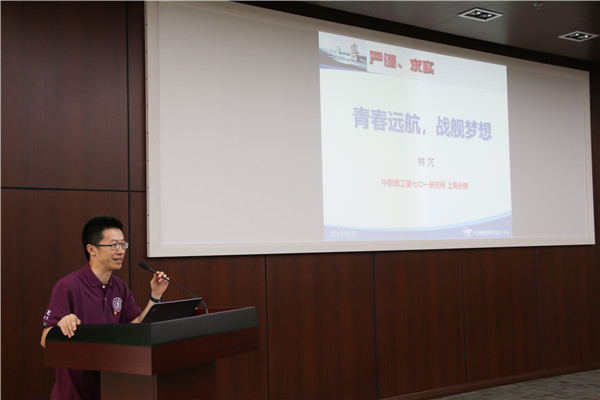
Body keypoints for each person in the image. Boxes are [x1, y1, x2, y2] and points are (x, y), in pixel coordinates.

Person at [40, 215, 170, 400]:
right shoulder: (68, 286)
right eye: (114, 245)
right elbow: (45, 340)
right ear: (91, 249)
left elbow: (137, 328)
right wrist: (62, 325)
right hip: (75, 393)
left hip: (112, 388)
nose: (121, 251)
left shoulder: (120, 287)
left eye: (123, 244)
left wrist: (155, 295)